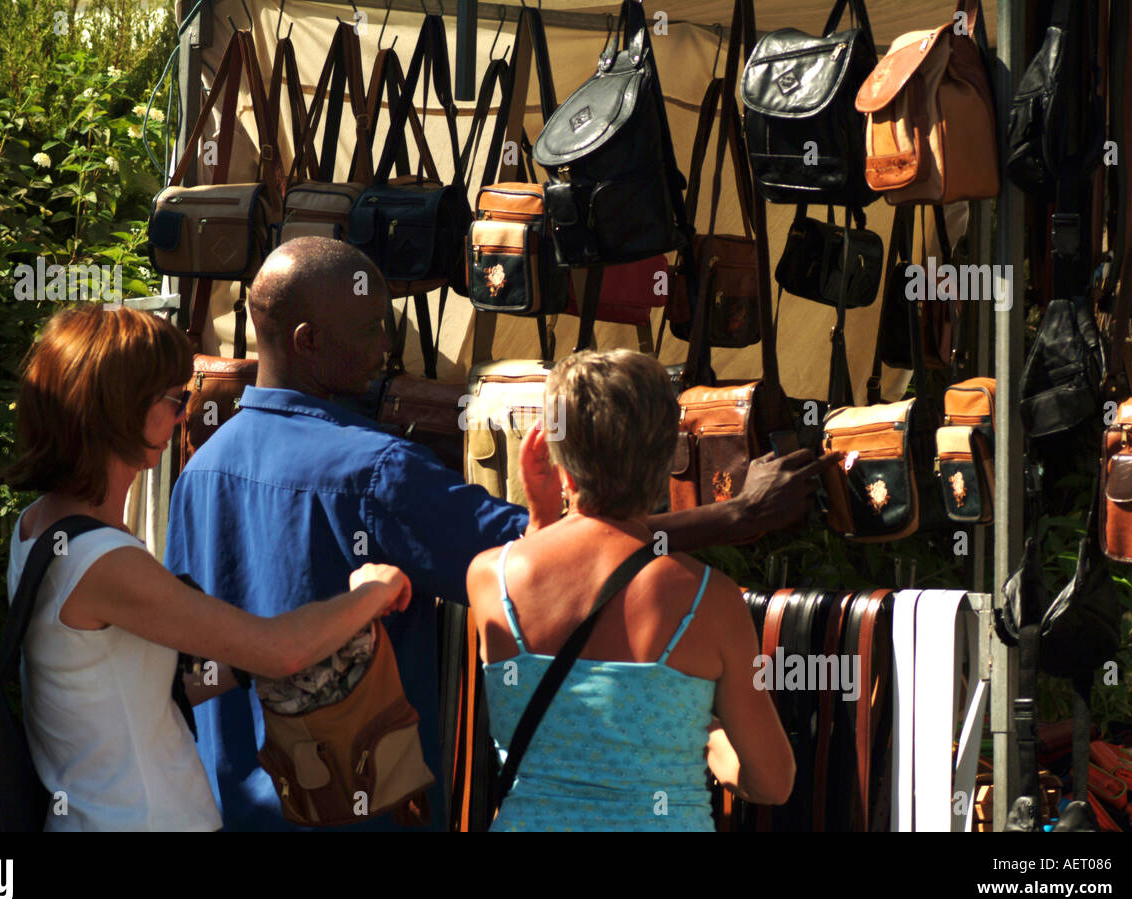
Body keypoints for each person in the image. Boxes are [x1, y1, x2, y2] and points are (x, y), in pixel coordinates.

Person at [166, 237, 830, 831]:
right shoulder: (377, 472)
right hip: (355, 809)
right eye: (369, 330)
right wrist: (734, 516)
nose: (385, 349)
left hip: (228, 805)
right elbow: (575, 555)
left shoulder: (200, 470)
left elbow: (190, 664)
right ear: (307, 340)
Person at [4, 304, 411, 831]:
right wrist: (370, 593)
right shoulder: (102, 561)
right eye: (175, 399)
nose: (182, 415)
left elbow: (136, 683)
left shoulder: (38, 527)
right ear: (123, 410)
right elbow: (279, 651)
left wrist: (249, 652)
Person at [467, 350, 795, 831]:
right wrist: (698, 730)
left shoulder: (489, 579)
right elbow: (772, 782)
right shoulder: (711, 600)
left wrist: (541, 524)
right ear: (668, 456)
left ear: (556, 453)